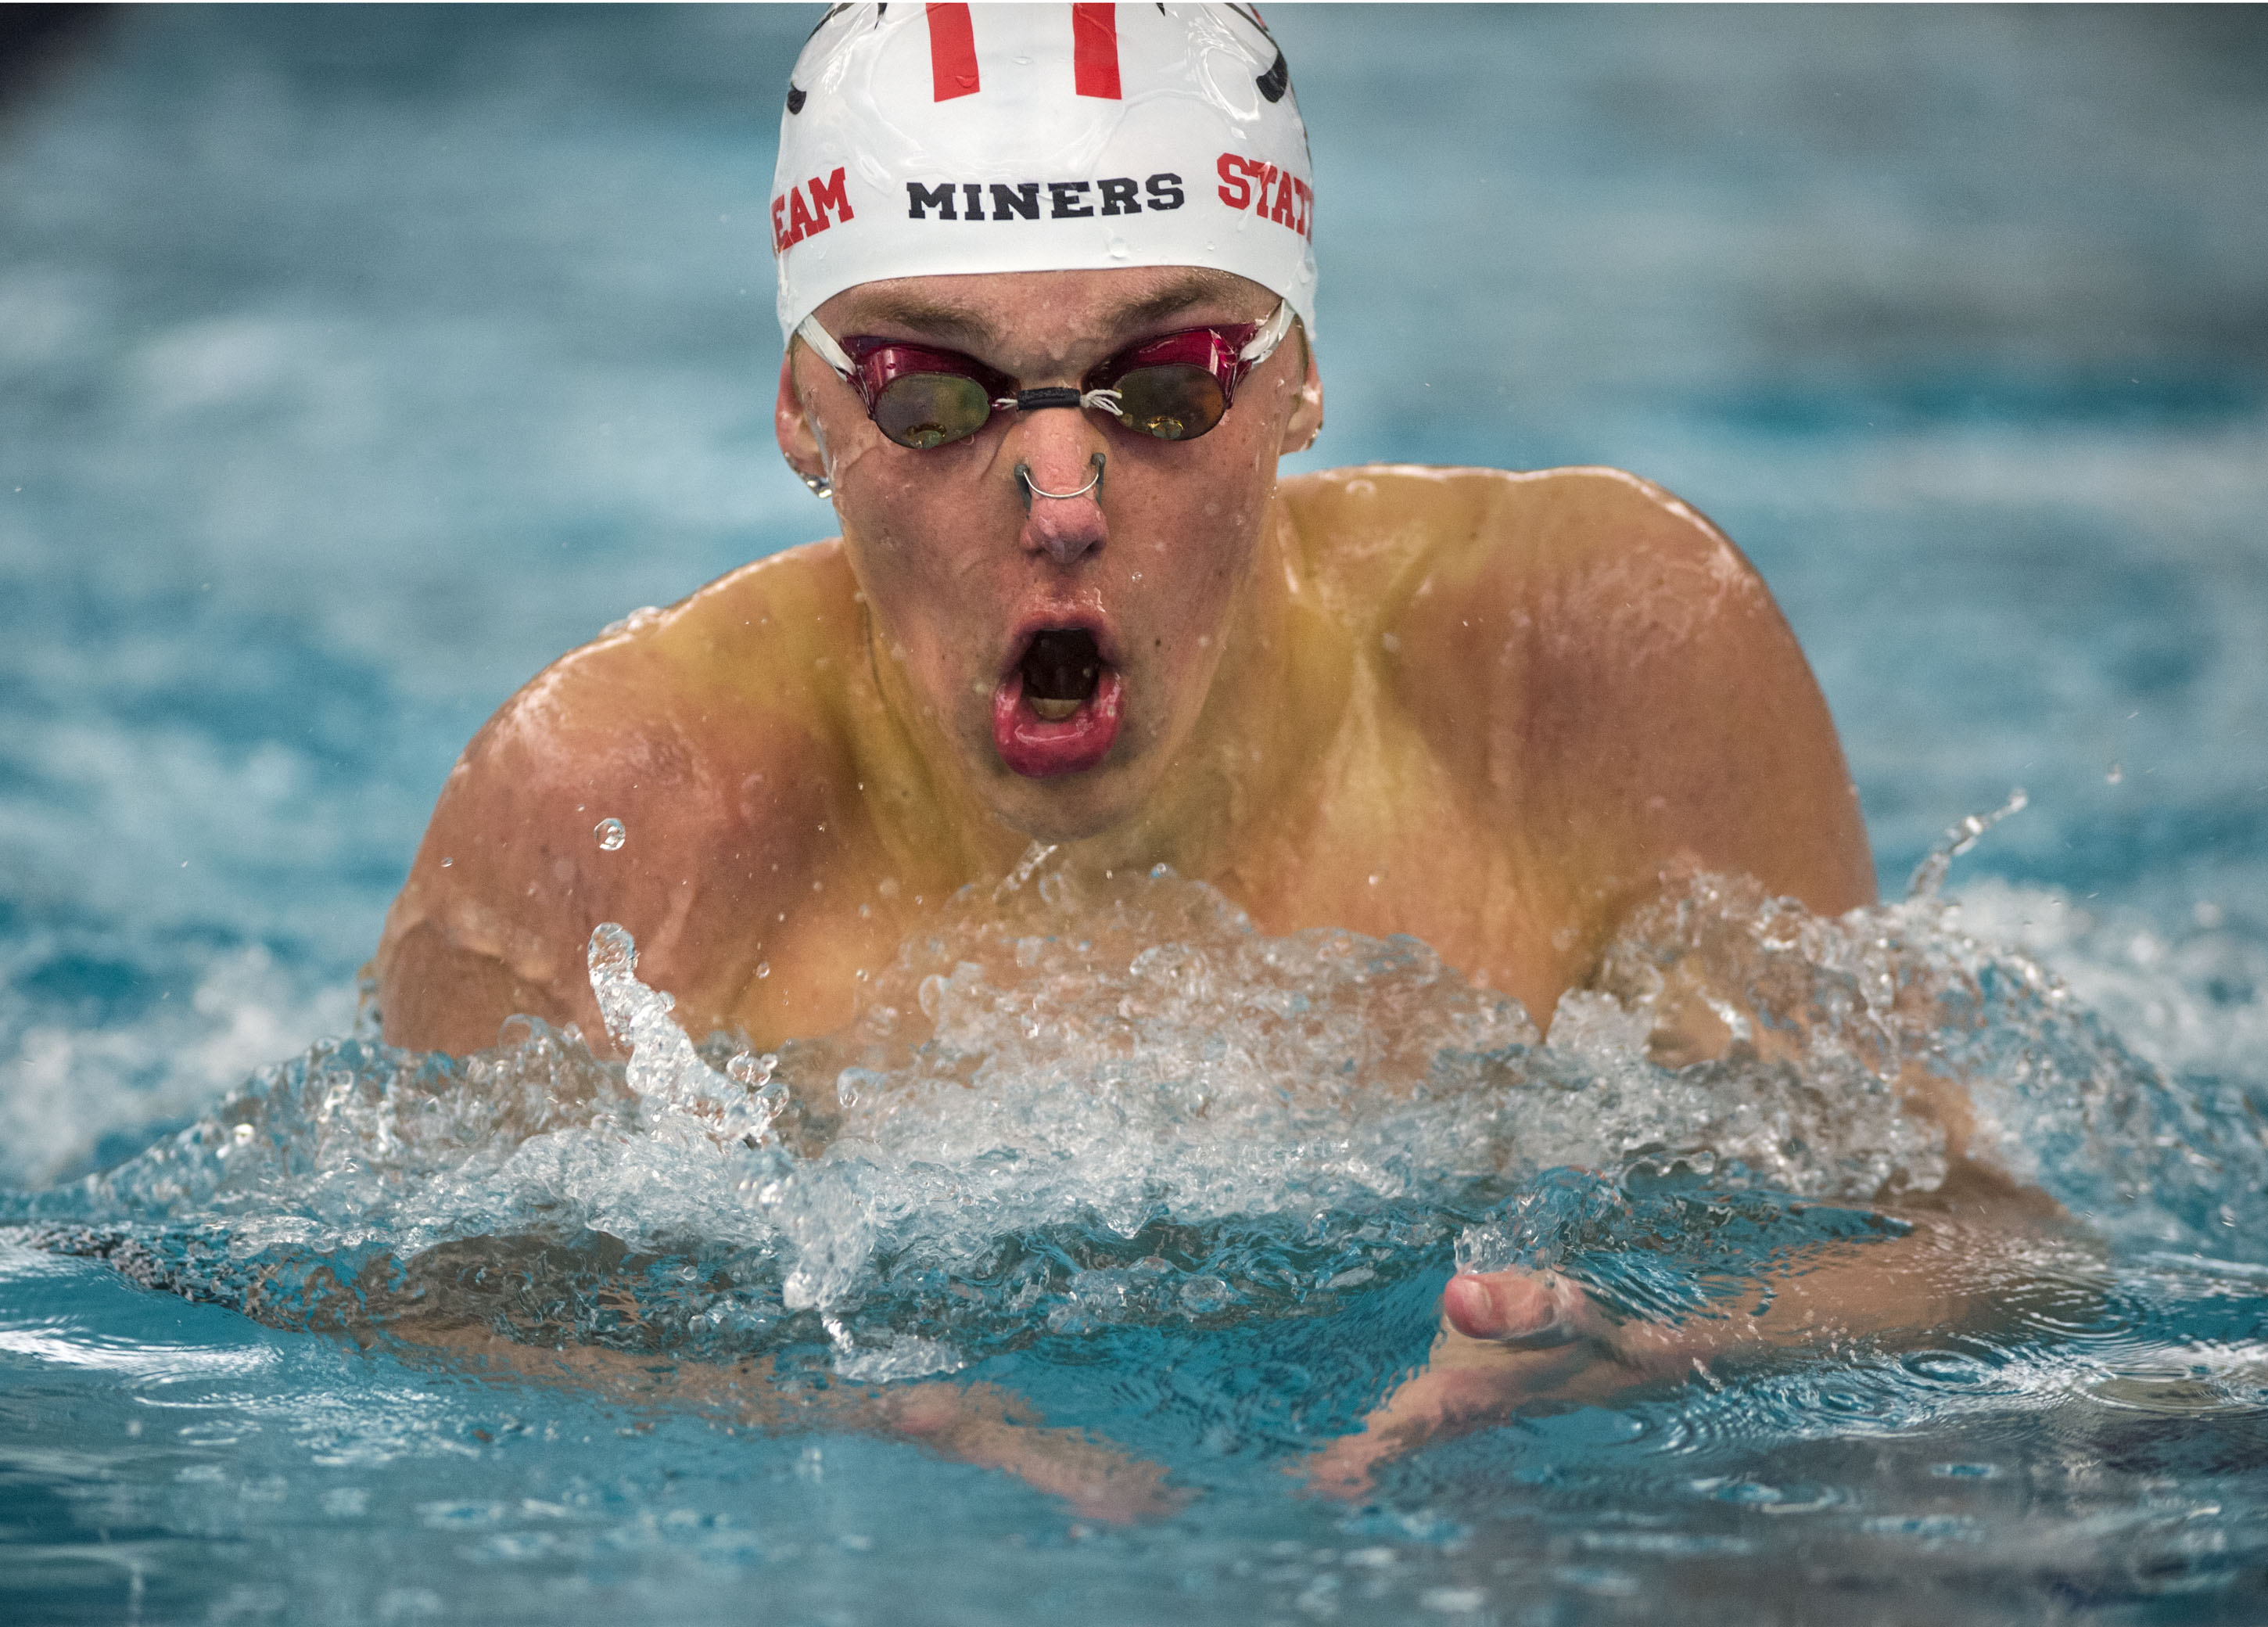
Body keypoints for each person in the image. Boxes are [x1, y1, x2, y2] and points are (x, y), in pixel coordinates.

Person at [371, 3, 2066, 1503]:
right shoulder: (606, 811)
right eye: (932, 392)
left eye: (1164, 382)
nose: (1060, 502)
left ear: (1297, 378)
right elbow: (404, 1302)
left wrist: (1679, 1348)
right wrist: (797, 1400)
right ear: (804, 414)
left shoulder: (1596, 660)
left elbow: (1989, 1247)